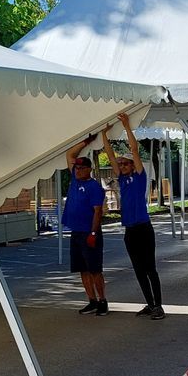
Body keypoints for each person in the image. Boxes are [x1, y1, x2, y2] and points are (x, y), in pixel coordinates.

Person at [101, 113, 164, 320]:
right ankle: (149, 303)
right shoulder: (122, 179)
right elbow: (110, 156)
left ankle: (159, 306)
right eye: (121, 164)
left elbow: (134, 150)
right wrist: (104, 136)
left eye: (125, 163)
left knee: (150, 268)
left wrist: (127, 127)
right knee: (138, 270)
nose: (122, 165)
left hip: (143, 228)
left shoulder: (139, 177)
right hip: (130, 230)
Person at [64, 135, 109, 315]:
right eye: (77, 167)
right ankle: (91, 300)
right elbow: (69, 155)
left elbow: (98, 211)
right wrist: (86, 142)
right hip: (76, 231)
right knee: (82, 269)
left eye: (81, 168)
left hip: (89, 233)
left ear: (88, 170)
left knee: (94, 269)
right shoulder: (75, 180)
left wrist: (93, 232)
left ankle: (102, 300)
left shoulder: (94, 187)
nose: (77, 170)